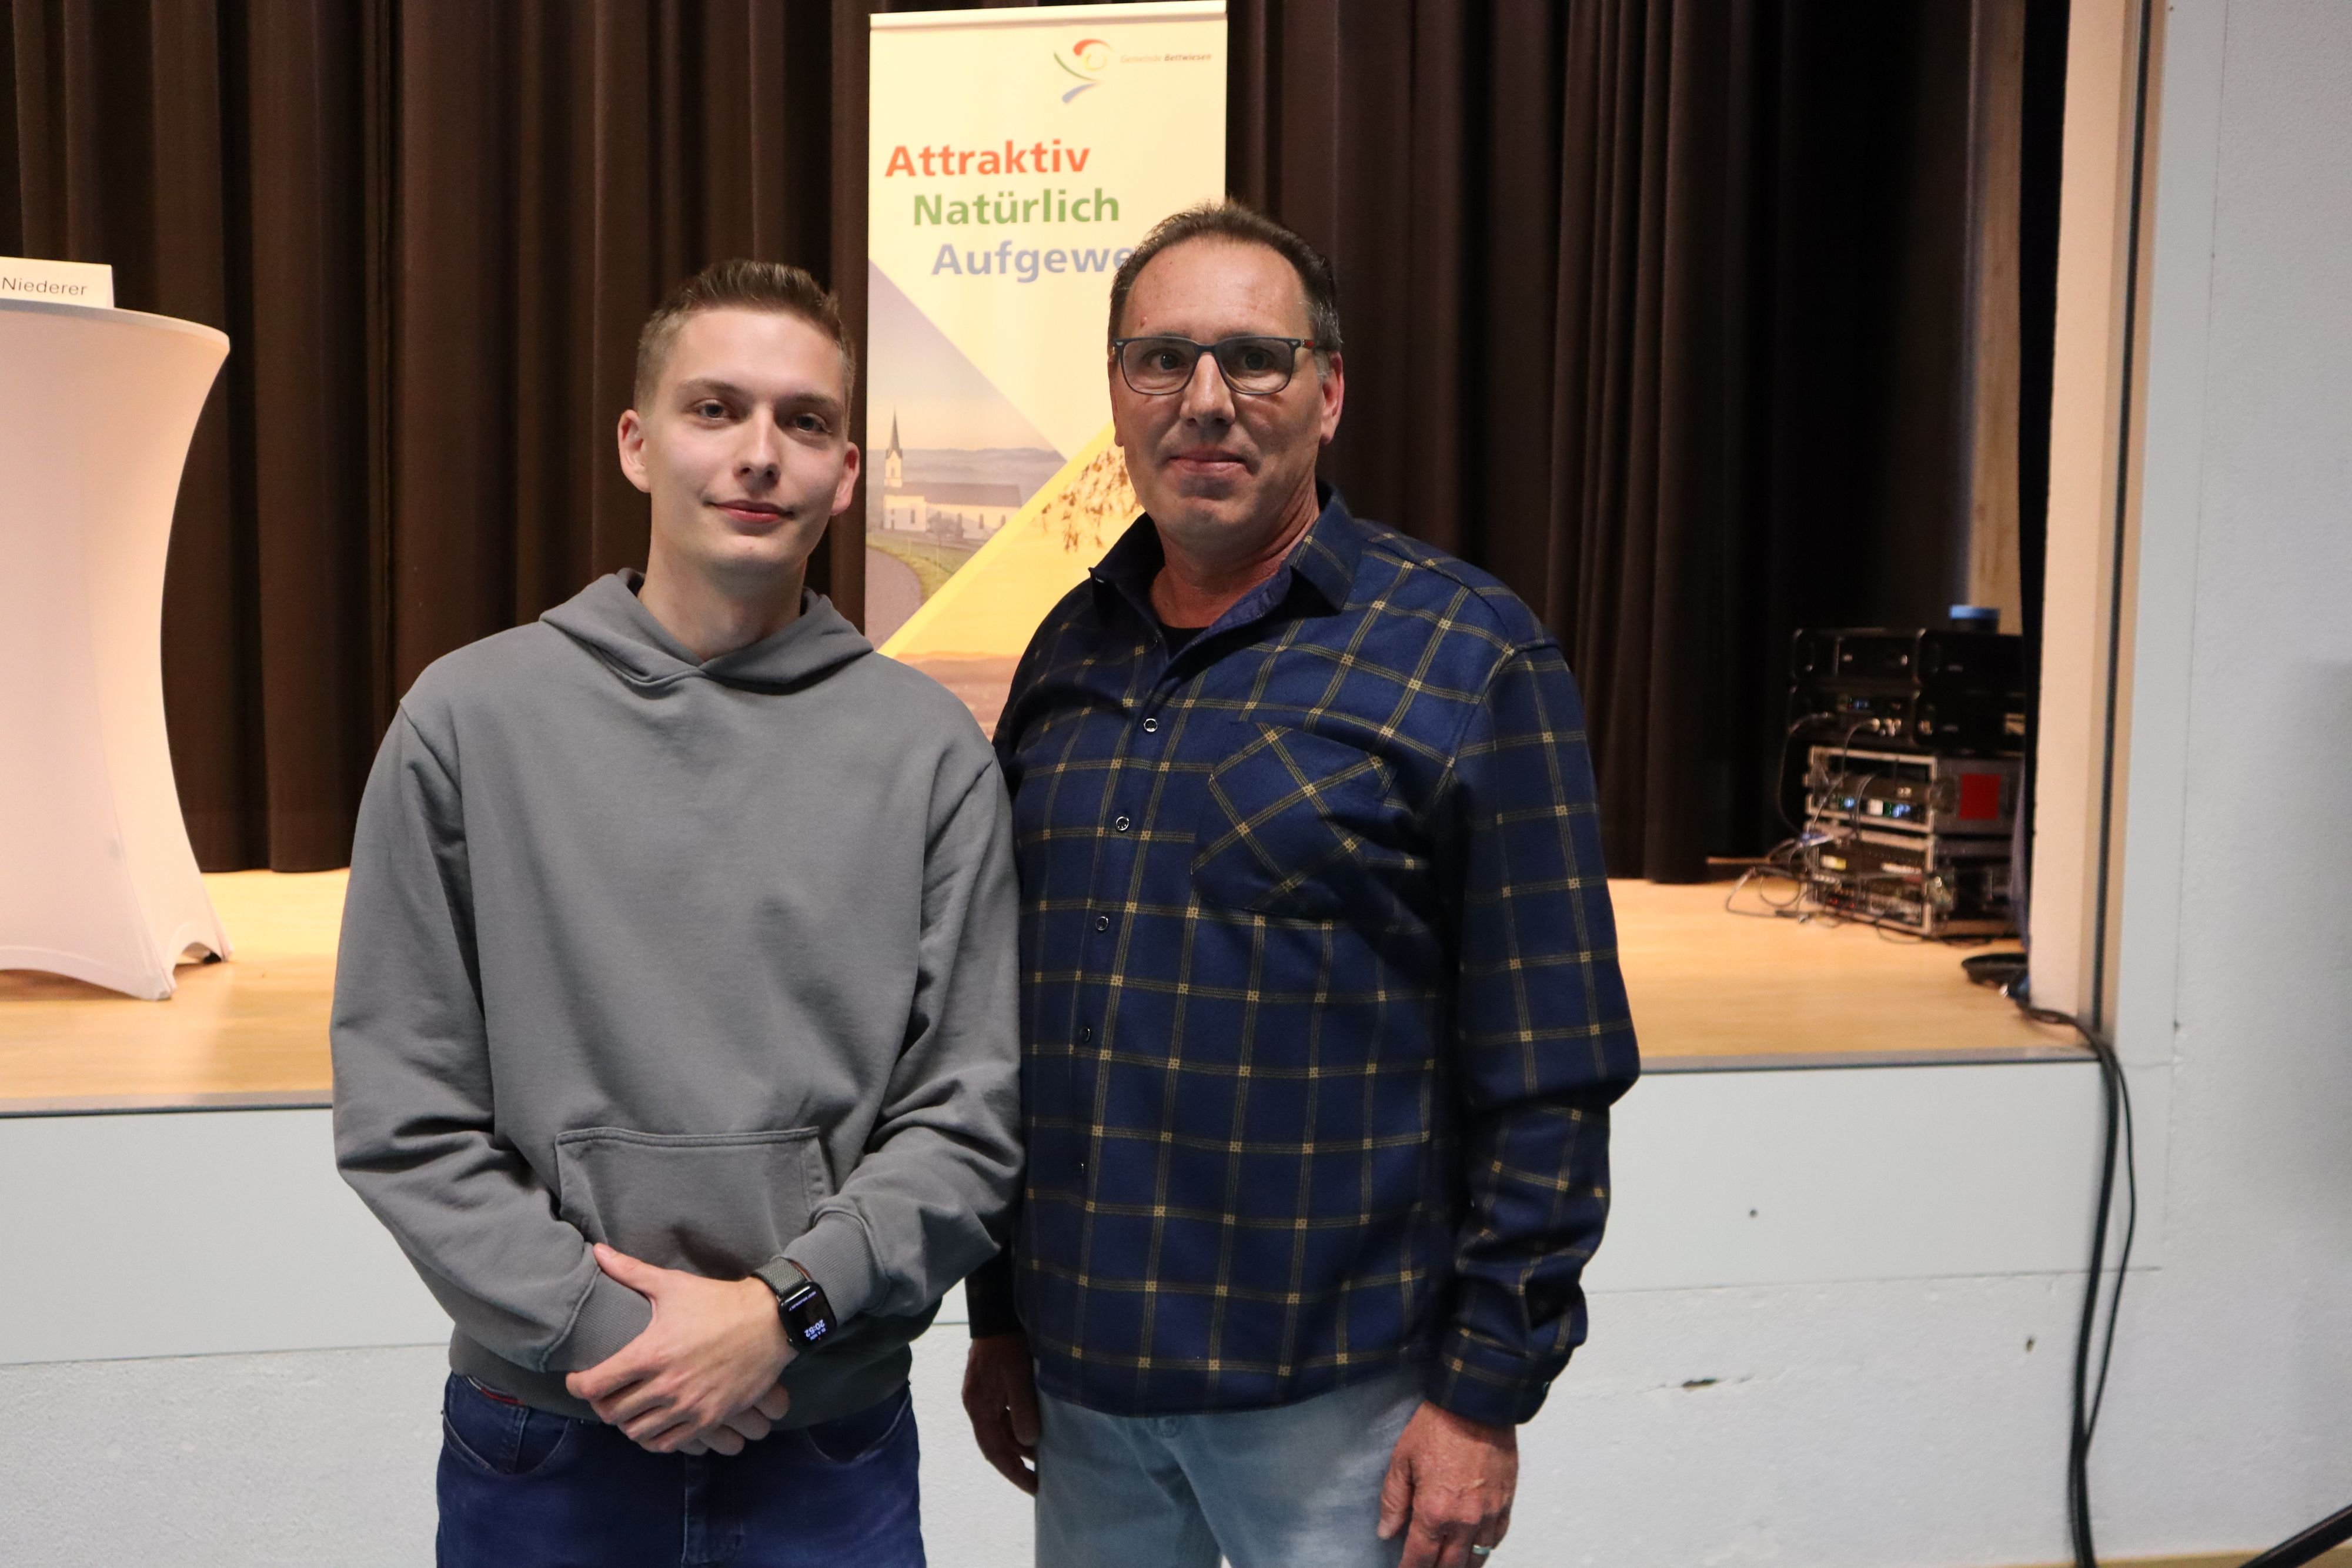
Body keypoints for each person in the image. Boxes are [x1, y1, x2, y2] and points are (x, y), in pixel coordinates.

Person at [960, 202, 1641, 1568]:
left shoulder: (1467, 657)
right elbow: (1007, 1022)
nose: (1203, 398)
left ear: (1327, 392)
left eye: (1252, 358)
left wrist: (1482, 1394)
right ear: (1116, 394)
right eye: (1160, 358)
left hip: (1346, 1414)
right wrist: (1000, 1311)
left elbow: (1550, 1066)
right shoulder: (1064, 652)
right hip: (1088, 1392)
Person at [332, 260, 1022, 1567]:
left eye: (804, 421)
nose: (759, 454)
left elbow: (968, 1118)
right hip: (546, 1440)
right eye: (715, 409)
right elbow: (402, 1115)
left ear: (845, 476)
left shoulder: (928, 753)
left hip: (823, 1439)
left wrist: (782, 1313)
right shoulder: (469, 723)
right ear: (637, 444)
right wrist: (621, 1340)